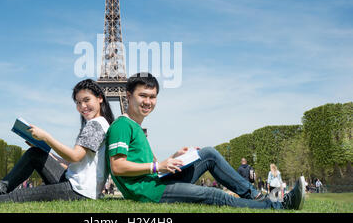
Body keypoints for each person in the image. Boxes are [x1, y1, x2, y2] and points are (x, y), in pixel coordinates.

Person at [106, 72, 306, 210]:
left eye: (152, 96)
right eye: (143, 95)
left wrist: (174, 158)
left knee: (208, 153)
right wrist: (158, 166)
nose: (148, 101)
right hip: (150, 192)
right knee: (214, 196)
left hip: (155, 183)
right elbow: (118, 166)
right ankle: (279, 205)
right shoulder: (122, 125)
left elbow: (146, 165)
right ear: (128, 95)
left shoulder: (134, 127)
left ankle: (256, 197)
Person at [0, 79, 114, 206]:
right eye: (78, 102)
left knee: (20, 196)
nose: (82, 106)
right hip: (76, 184)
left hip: (78, 192)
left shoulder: (95, 125)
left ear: (100, 97)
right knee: (36, 154)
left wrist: (46, 137)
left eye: (86, 100)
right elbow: (77, 161)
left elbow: (75, 156)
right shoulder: (99, 123)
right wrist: (47, 152)